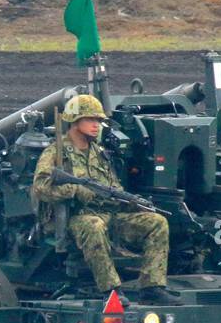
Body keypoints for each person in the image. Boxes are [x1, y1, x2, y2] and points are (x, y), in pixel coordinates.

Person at [32, 94, 179, 304]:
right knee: (94, 225)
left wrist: (129, 202)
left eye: (99, 121)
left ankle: (152, 287)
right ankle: (111, 290)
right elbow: (41, 187)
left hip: (108, 213)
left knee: (156, 223)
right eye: (91, 120)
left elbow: (113, 187)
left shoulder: (100, 153)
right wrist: (75, 190)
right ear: (75, 121)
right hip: (75, 219)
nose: (96, 125)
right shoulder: (57, 152)